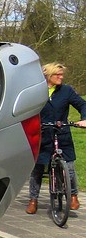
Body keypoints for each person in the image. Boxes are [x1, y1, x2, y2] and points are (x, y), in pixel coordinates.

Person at [26, 62, 86, 214]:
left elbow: (82, 104)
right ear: (47, 76)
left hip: (62, 133)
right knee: (37, 169)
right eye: (57, 74)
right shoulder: (36, 91)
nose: (61, 77)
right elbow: (27, 110)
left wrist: (84, 118)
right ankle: (33, 199)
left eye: (62, 74)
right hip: (43, 135)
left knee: (70, 167)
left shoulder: (66, 91)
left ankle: (73, 196)